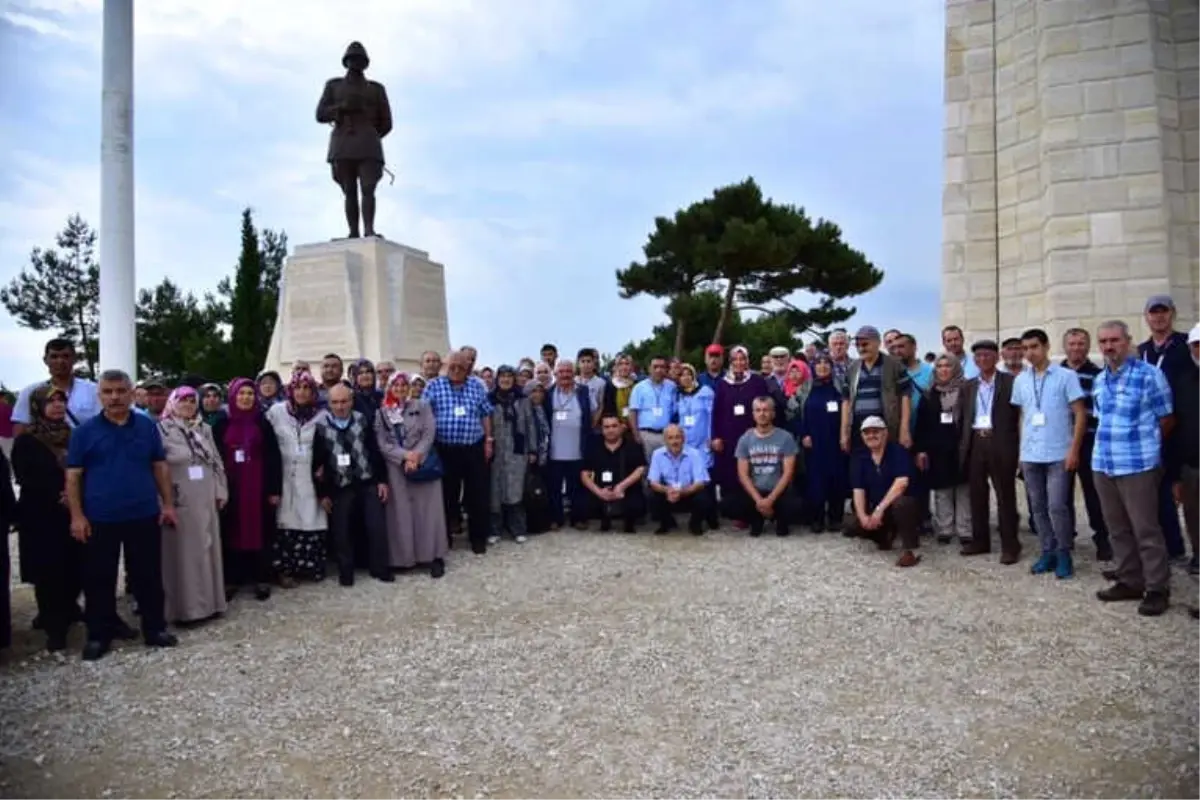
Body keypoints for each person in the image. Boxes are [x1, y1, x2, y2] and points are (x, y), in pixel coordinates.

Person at [65, 369, 178, 661]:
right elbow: (73, 477)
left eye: (120, 391)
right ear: (99, 395)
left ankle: (155, 629)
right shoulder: (84, 433)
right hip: (101, 518)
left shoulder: (146, 427)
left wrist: (167, 504)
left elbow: (160, 466)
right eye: (108, 391)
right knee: (99, 579)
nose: (114, 397)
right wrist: (77, 516)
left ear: (130, 393)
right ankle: (98, 635)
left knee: (148, 576)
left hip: (142, 514)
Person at [1092, 320, 1174, 617]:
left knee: (1146, 529)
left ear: (1128, 342)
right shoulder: (1101, 380)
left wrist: (1148, 448)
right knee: (1117, 529)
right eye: (1103, 341)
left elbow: (1166, 418)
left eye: (1114, 340)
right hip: (1103, 463)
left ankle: (1157, 587)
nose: (1109, 346)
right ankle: (1129, 580)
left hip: (1138, 464)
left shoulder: (1150, 376)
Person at [10, 386, 84, 651]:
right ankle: (54, 626)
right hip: (41, 513)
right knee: (48, 571)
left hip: (71, 510)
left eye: (60, 400)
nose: (57, 405)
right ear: (38, 406)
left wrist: (74, 495)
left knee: (73, 564)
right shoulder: (27, 440)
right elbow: (25, 476)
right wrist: (58, 494)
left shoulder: (73, 435)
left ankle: (71, 608)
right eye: (50, 401)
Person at [1011, 328, 1086, 579]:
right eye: (1025, 349)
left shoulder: (1066, 376)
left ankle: (1064, 553)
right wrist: (1021, 453)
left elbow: (1080, 413)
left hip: (1058, 453)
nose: (1029, 353)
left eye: (1034, 347)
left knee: (1057, 506)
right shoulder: (1021, 380)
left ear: (1046, 347)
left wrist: (1073, 450)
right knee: (1038, 508)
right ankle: (1047, 551)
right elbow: (1023, 417)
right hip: (1031, 454)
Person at [156, 387, 229, 624]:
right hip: (179, 498)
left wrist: (221, 489)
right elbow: (156, 466)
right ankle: (187, 609)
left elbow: (217, 462)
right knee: (184, 555)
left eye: (191, 400)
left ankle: (211, 603)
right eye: (183, 400)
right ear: (173, 402)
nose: (188, 404)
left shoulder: (204, 429)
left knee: (207, 549)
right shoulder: (162, 429)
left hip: (205, 497)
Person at [313, 383, 392, 586]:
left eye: (344, 401)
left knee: (376, 526)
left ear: (351, 401)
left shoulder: (361, 419)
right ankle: (345, 572)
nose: (340, 406)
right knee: (342, 531)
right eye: (335, 402)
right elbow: (317, 463)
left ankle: (380, 568)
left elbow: (374, 451)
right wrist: (322, 494)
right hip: (340, 485)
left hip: (366, 480)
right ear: (329, 403)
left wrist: (382, 480)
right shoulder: (320, 425)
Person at [212, 378, 283, 601]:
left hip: (258, 487)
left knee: (260, 528)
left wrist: (274, 490)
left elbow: (273, 457)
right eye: (241, 393)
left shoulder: (262, 422)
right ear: (233, 396)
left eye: (250, 394)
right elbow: (213, 457)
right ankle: (233, 578)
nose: (246, 398)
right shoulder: (222, 423)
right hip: (231, 486)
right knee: (231, 529)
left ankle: (261, 577)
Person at [375, 372, 448, 578]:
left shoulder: (422, 406)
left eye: (403, 385)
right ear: (389, 387)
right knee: (400, 513)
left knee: (428, 513)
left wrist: (416, 456)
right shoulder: (382, 412)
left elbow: (429, 433)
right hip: (396, 466)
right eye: (395, 385)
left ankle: (432, 556)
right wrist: (405, 456)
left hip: (422, 463)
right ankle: (402, 558)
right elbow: (382, 442)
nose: (399, 389)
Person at [424, 350, 495, 554]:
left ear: (468, 368)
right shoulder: (433, 386)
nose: (456, 370)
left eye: (461, 367)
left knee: (477, 495)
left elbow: (485, 414)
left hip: (473, 447)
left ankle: (478, 538)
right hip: (445, 449)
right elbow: (426, 416)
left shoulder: (476, 386)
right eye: (452, 366)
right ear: (445, 367)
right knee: (446, 495)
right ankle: (444, 537)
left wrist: (489, 440)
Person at [958, 340, 1021, 564]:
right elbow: (963, 417)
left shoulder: (1011, 382)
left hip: (1001, 442)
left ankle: (1010, 545)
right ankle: (980, 540)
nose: (983, 359)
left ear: (997, 358)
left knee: (1005, 495)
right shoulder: (968, 386)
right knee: (977, 494)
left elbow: (1018, 416)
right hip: (976, 441)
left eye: (987, 355)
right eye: (979, 356)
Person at [265, 371, 329, 584]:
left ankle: (310, 567)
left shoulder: (322, 415)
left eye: (307, 388)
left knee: (311, 517)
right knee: (286, 519)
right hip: (284, 475)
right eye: (298, 388)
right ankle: (285, 570)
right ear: (290, 390)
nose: (302, 392)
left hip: (309, 477)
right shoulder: (277, 411)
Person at [845, 416, 922, 567]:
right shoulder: (859, 456)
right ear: (862, 436)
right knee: (852, 523)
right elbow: (858, 489)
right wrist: (863, 517)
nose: (871, 435)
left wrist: (879, 510)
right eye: (867, 433)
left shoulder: (898, 451)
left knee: (902, 504)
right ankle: (883, 535)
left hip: (899, 505)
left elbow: (901, 483)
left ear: (885, 433)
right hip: (877, 507)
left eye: (876, 431)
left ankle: (910, 550)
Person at [915, 355, 971, 545]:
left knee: (964, 489)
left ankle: (965, 528)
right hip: (937, 448)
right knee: (942, 489)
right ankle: (945, 527)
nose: (944, 369)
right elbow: (921, 425)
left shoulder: (967, 391)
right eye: (939, 366)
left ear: (955, 368)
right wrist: (921, 450)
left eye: (948, 365)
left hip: (962, 446)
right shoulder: (929, 393)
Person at [730, 396, 801, 537]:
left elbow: (788, 473)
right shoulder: (745, 439)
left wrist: (770, 500)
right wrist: (759, 501)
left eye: (766, 410)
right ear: (753, 414)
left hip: (778, 492)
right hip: (756, 492)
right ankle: (757, 518)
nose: (762, 414)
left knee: (797, 505)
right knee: (729, 504)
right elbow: (743, 475)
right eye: (758, 410)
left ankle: (778, 518)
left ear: (773, 413)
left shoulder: (785, 437)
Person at [487, 366, 537, 544]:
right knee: (495, 491)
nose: (506, 380)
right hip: (495, 452)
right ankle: (495, 530)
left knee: (516, 491)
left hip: (517, 452)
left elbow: (531, 425)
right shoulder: (490, 400)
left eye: (509, 376)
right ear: (497, 379)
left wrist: (532, 450)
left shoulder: (522, 400)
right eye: (502, 376)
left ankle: (518, 529)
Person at [799, 355, 847, 533]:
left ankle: (835, 518)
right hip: (814, 442)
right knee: (815, 482)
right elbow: (797, 412)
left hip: (836, 441)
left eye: (826, 363)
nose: (822, 366)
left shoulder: (840, 387)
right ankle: (817, 518)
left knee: (837, 479)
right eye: (818, 363)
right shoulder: (806, 388)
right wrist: (804, 434)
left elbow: (848, 411)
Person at [581, 414, 648, 532]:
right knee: (585, 503)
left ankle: (629, 522)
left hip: (626, 489)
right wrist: (599, 492)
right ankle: (604, 519)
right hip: (601, 489)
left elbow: (641, 469)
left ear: (621, 427)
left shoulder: (633, 445)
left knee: (636, 504)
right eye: (606, 427)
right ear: (601, 429)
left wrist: (621, 487)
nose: (610, 430)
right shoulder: (593, 447)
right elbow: (584, 474)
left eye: (614, 426)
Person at [646, 424, 712, 535]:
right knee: (651, 496)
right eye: (670, 438)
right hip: (668, 493)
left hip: (689, 492)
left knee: (703, 497)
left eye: (677, 437)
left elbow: (700, 482)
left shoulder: (694, 454)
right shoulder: (657, 454)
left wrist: (683, 492)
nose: (674, 441)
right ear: (665, 440)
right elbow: (653, 482)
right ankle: (666, 522)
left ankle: (695, 524)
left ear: (683, 439)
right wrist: (668, 490)